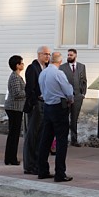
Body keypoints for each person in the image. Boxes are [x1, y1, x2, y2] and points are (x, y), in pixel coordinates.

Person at [36, 51, 75, 183]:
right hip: (59, 106)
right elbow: (68, 90)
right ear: (60, 61)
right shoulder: (59, 73)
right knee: (61, 140)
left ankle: (42, 169)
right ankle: (60, 172)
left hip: (47, 106)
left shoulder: (43, 73)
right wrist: (71, 99)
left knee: (45, 139)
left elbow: (41, 89)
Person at [21, 46, 51, 175]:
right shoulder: (32, 68)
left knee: (40, 135)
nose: (47, 57)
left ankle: (37, 163)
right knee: (32, 135)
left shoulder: (47, 68)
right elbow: (29, 88)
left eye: (49, 54)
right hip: (36, 104)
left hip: (45, 103)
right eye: (45, 54)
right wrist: (34, 102)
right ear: (39, 54)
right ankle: (29, 165)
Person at [60, 48, 87, 146]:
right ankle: (64, 139)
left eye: (71, 55)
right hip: (66, 97)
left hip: (78, 97)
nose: (69, 57)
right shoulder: (62, 67)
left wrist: (83, 93)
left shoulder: (81, 66)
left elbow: (84, 81)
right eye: (68, 55)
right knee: (64, 118)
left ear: (75, 55)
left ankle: (74, 140)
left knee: (74, 119)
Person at [4, 55, 27, 166]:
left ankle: (10, 157)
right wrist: (28, 91)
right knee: (13, 134)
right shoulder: (14, 77)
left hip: (17, 108)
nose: (23, 65)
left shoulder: (18, 76)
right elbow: (17, 93)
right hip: (13, 108)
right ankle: (10, 158)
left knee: (14, 134)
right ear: (17, 65)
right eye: (21, 63)